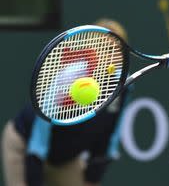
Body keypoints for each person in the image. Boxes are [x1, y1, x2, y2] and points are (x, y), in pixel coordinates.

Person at [1, 18, 130, 186]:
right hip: (25, 146)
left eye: (116, 48)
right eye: (105, 46)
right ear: (92, 48)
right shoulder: (71, 75)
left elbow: (110, 138)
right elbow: (39, 135)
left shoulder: (122, 86)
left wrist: (93, 177)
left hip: (64, 159)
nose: (110, 54)